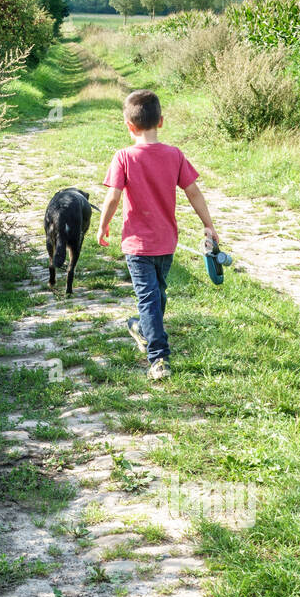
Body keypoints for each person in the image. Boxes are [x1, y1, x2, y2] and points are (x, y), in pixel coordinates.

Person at [97, 89, 218, 381]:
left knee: (154, 298)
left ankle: (149, 342)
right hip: (165, 242)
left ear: (129, 125)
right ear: (160, 121)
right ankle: (157, 352)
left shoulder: (124, 157)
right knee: (154, 297)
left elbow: (113, 198)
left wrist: (102, 225)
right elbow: (193, 192)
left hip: (139, 245)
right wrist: (208, 224)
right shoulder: (174, 155)